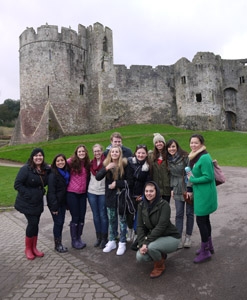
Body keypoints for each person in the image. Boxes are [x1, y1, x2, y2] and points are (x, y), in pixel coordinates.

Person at [136, 181, 180, 279]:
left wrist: (146, 243)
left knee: (151, 247)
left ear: (156, 192)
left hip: (170, 236)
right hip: (154, 237)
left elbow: (161, 227)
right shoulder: (141, 205)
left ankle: (159, 266)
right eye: (146, 191)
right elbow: (140, 227)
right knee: (140, 257)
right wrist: (141, 243)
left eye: (151, 191)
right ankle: (160, 254)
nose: (148, 194)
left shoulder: (164, 205)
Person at [96, 145, 133, 255]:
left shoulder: (125, 165)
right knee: (112, 219)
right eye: (113, 152)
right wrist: (107, 168)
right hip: (110, 196)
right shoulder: (106, 165)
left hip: (122, 196)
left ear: (120, 153)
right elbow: (98, 177)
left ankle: (122, 242)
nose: (115, 154)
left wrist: (117, 183)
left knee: (122, 220)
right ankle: (112, 240)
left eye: (117, 152)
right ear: (110, 154)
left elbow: (130, 181)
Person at [14, 148, 50, 260]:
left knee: (36, 223)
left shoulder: (44, 169)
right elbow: (17, 184)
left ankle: (34, 247)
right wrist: (29, 194)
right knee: (32, 223)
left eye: (40, 155)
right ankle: (28, 249)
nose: (38, 157)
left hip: (38, 201)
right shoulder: (26, 169)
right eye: (36, 155)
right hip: (27, 202)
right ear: (32, 157)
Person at [186, 134, 218, 263]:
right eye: (191, 143)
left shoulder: (204, 157)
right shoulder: (196, 156)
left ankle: (205, 252)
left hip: (205, 194)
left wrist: (192, 179)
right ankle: (209, 246)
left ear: (201, 144)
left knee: (201, 221)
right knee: (205, 220)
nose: (193, 145)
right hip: (201, 193)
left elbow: (209, 177)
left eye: (196, 143)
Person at [166, 139, 194, 249]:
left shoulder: (185, 157)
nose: (171, 149)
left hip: (187, 186)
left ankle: (188, 237)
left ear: (177, 147)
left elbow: (190, 173)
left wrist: (190, 188)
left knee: (189, 213)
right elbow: (172, 175)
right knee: (179, 214)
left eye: (173, 146)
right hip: (177, 188)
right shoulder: (168, 159)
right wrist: (172, 188)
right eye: (169, 147)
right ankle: (178, 238)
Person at [67, 144, 90, 249]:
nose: (81, 153)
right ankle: (74, 240)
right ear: (76, 153)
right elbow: (59, 164)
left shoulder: (86, 164)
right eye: (79, 151)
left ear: (86, 153)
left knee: (82, 217)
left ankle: (79, 237)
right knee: (75, 217)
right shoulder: (71, 162)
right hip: (72, 193)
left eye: (83, 151)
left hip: (82, 194)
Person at [127, 144, 151, 249]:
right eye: (139, 152)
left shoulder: (148, 166)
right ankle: (130, 229)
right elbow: (128, 179)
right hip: (130, 193)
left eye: (143, 153)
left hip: (141, 194)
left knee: (139, 217)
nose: (140, 155)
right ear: (135, 153)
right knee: (128, 215)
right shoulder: (129, 163)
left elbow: (148, 181)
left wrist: (143, 195)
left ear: (146, 154)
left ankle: (137, 236)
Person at [47, 153, 70, 253]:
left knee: (61, 222)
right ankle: (57, 244)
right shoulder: (53, 174)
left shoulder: (66, 173)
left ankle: (59, 243)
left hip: (62, 202)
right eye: (58, 161)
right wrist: (54, 208)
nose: (60, 162)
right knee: (58, 223)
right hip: (55, 203)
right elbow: (51, 192)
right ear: (55, 163)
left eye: (62, 160)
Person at [88, 144, 108, 249]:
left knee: (103, 215)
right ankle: (99, 237)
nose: (97, 153)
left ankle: (105, 238)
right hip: (92, 191)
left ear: (102, 151)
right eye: (95, 151)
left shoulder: (107, 163)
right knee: (95, 215)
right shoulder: (91, 163)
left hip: (103, 192)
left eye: (98, 151)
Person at [149, 133, 171, 203]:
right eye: (156, 142)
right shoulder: (151, 156)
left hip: (166, 187)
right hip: (156, 187)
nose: (158, 144)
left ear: (164, 143)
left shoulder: (169, 155)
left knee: (166, 207)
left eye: (160, 142)